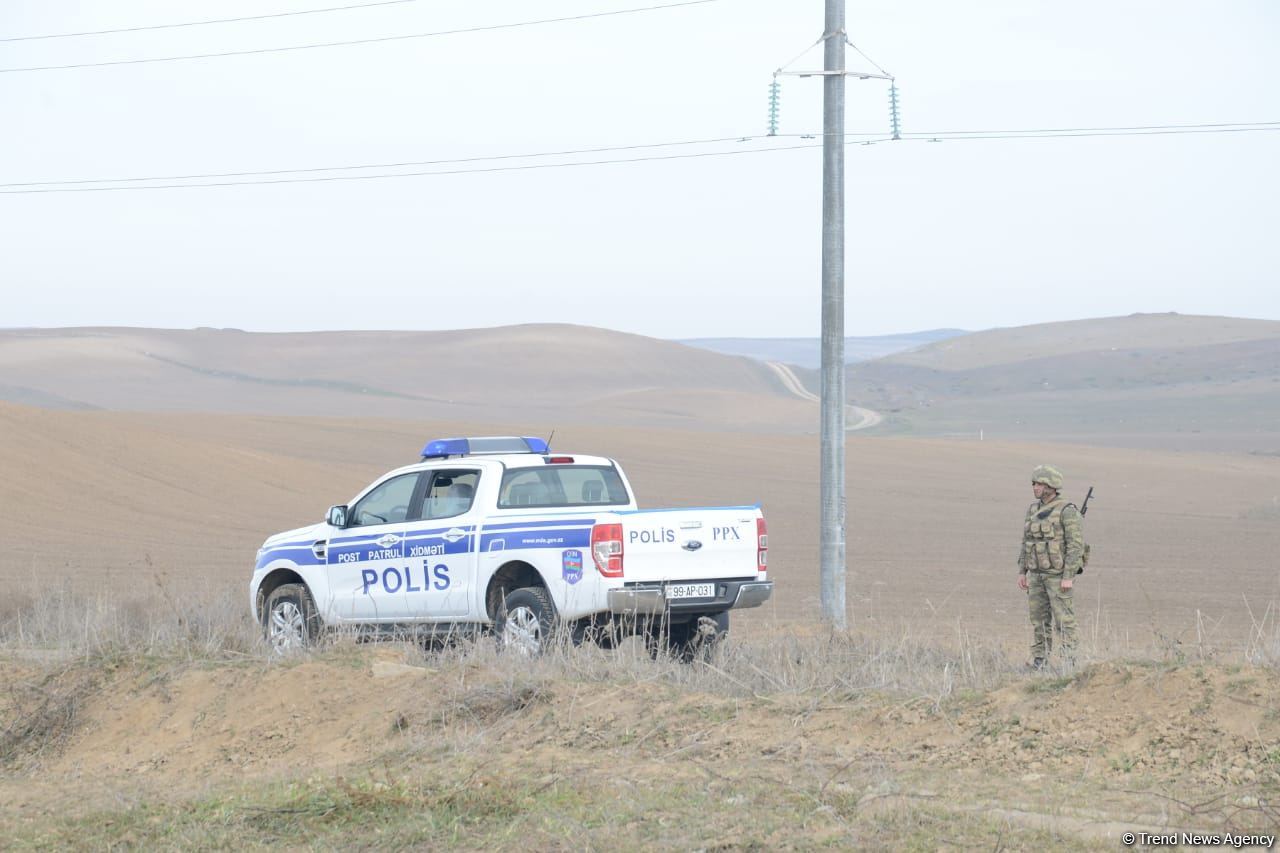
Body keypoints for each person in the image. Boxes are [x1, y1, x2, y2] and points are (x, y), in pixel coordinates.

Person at [1016, 465, 1085, 669]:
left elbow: (1075, 545)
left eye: (1039, 484)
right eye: (1034, 484)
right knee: (1038, 620)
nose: (1035, 487)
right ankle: (1040, 660)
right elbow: (1026, 542)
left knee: (1064, 620)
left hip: (1057, 577)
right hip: (1036, 575)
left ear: (1051, 486)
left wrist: (1068, 575)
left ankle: (1069, 662)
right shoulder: (1033, 510)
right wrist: (1022, 571)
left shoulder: (1067, 511)